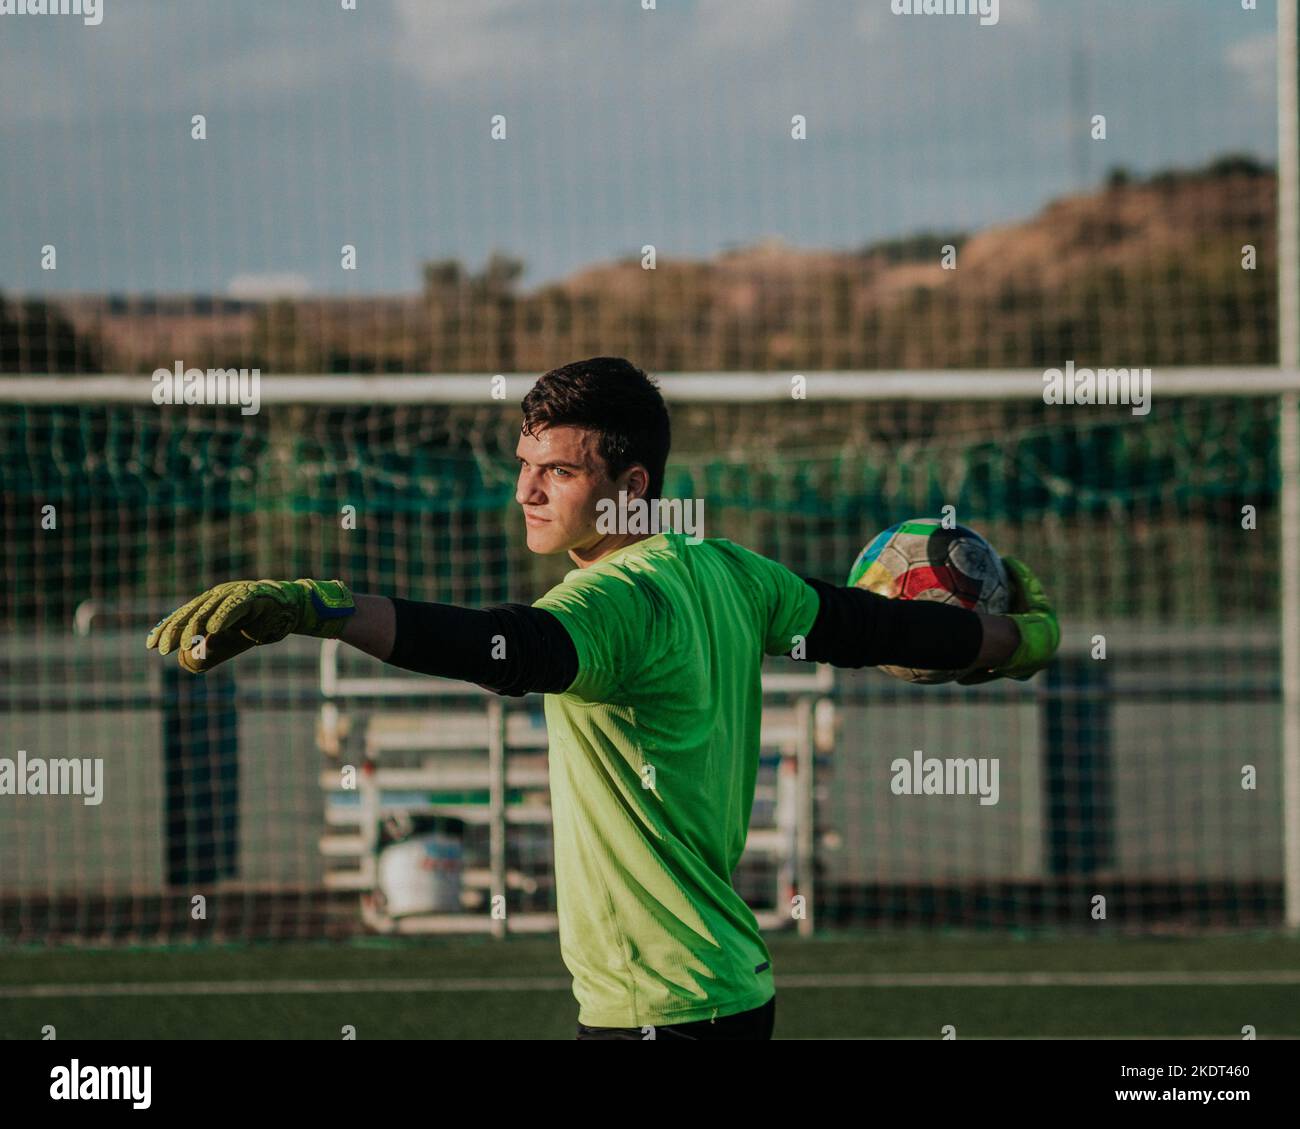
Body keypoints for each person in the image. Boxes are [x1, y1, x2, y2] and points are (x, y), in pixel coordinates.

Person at [146, 356, 1059, 1040]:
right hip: (729, 989)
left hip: (657, 1004)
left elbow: (505, 646)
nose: (526, 491)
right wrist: (1019, 641)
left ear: (631, 488)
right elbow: (880, 630)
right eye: (523, 463)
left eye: (558, 473)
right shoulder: (728, 568)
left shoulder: (616, 600)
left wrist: (324, 609)